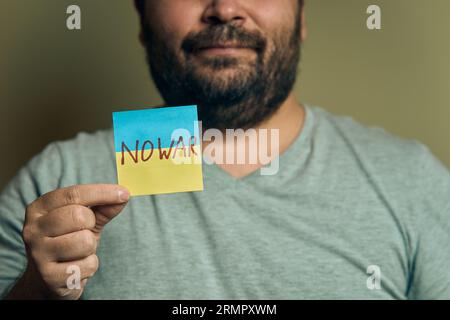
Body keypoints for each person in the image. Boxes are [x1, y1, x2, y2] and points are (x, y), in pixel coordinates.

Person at [1, 0, 450, 299]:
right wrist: (35, 295)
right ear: (141, 20)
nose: (225, 8)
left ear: (302, 16)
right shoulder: (54, 182)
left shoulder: (412, 181)